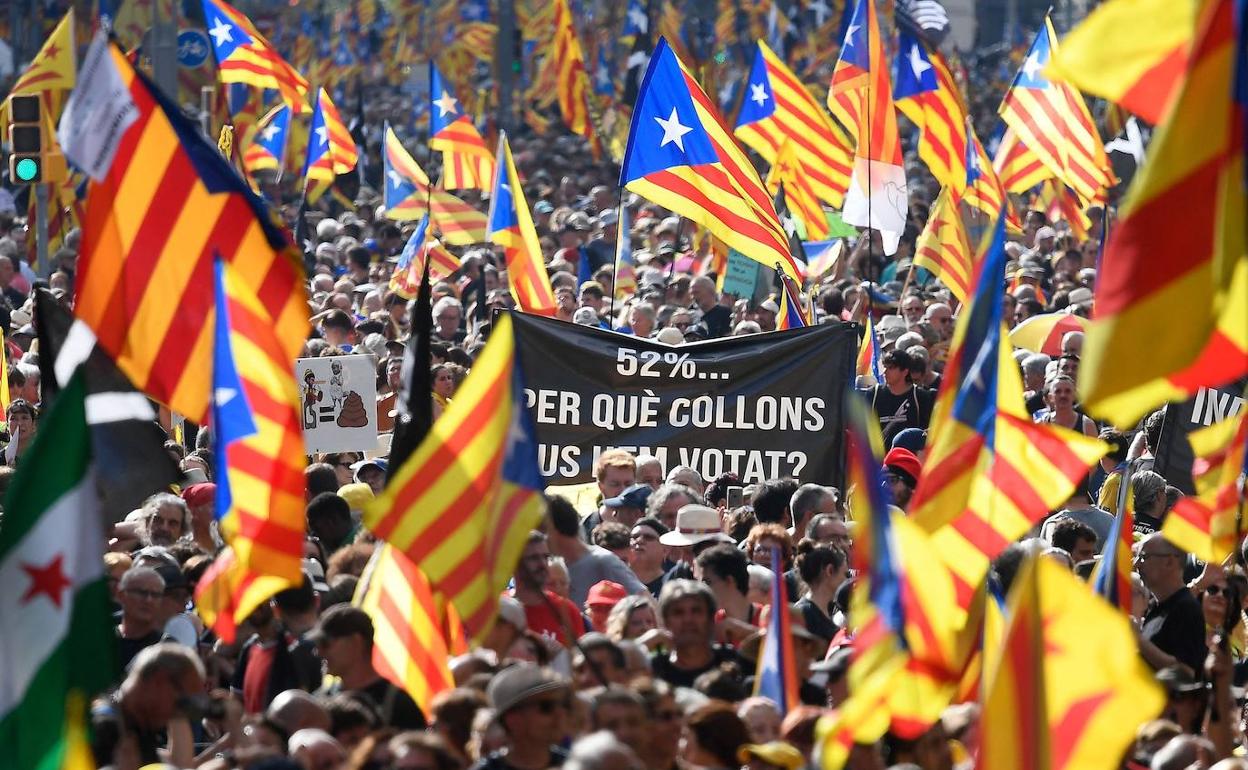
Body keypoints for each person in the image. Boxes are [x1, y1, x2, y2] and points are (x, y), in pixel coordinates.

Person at [312, 605, 428, 729]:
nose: (318, 652)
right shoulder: (318, 703)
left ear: (356, 642)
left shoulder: (400, 706)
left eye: (325, 643)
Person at [546, 495, 646, 606]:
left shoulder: (604, 561)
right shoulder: (554, 569)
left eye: (540, 530)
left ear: (553, 531)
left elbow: (645, 602)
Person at [650, 579, 747, 689]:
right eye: (678, 612)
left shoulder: (733, 662)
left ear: (710, 618)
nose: (688, 619)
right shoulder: (653, 670)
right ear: (666, 621)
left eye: (696, 611)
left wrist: (748, 632)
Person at [476, 664, 572, 770]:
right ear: (513, 719)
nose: (561, 713)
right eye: (546, 706)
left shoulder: (576, 764)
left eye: (564, 704)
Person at [1136, 534, 1208, 674]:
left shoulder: (1186, 609)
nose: (1137, 564)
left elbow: (1185, 671)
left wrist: (1137, 639)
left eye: (1144, 557)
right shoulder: (1155, 607)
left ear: (1169, 561)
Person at [510, 531, 585, 646]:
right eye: (533, 558)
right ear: (514, 563)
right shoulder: (499, 611)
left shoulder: (567, 610)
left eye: (545, 557)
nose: (542, 564)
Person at [864, 348, 935, 447]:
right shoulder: (873, 395)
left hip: (909, 458)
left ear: (905, 371)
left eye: (891, 368)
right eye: (885, 367)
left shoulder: (921, 397)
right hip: (879, 459)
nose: (885, 371)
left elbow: (928, 432)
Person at [116, 567, 166, 670]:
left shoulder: (166, 649)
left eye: (155, 595)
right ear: (121, 595)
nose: (149, 600)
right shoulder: (100, 642)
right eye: (141, 593)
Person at [627, 516, 670, 596]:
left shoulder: (671, 588)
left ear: (665, 550)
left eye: (648, 537)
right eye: (634, 537)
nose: (639, 541)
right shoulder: (617, 582)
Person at [882, 447, 922, 512]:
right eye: (882, 481)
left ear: (910, 483)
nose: (885, 486)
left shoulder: (929, 517)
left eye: (892, 480)